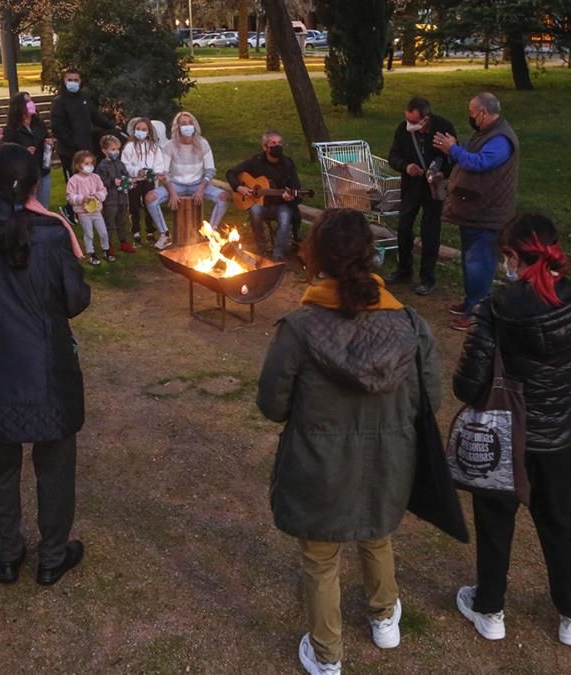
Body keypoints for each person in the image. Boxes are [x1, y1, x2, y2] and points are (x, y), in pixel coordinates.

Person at [257, 208, 438, 675]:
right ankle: (384, 617)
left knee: (321, 557)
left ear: (315, 256)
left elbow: (273, 404)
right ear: (370, 256)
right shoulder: (411, 324)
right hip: (387, 458)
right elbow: (429, 399)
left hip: (321, 463)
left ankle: (328, 654)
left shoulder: (300, 328)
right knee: (377, 533)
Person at [0, 142, 91, 586]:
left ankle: (13, 554)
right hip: (42, 367)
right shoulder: (47, 232)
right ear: (31, 185)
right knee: (54, 464)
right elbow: (74, 300)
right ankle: (47, 554)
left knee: (3, 462)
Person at [451, 213, 571, 649]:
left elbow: (467, 384)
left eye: (505, 256)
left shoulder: (496, 308)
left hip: (504, 434)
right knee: (559, 524)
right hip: (556, 437)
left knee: (495, 522)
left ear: (513, 256)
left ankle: (490, 608)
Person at [432, 92, 520, 331]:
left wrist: (453, 149)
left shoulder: (501, 139)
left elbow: (480, 163)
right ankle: (471, 302)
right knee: (471, 260)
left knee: (480, 263)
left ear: (483, 113)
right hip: (474, 210)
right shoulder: (486, 133)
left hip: (488, 214)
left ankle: (477, 312)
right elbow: (469, 162)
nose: (470, 117)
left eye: (472, 113)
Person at [386, 96, 457, 295]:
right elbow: (393, 156)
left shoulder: (444, 127)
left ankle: (427, 278)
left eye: (414, 122)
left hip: (434, 189)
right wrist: (406, 166)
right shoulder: (403, 130)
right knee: (403, 227)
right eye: (408, 120)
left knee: (430, 232)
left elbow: (453, 156)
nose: (410, 125)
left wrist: (443, 173)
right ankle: (404, 270)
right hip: (411, 186)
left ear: (426, 119)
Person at [145, 111, 228, 246]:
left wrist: (201, 189)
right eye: (183, 123)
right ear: (177, 126)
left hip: (198, 184)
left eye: (190, 123)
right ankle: (165, 234)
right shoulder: (170, 145)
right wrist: (172, 192)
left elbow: (210, 170)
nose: (187, 126)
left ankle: (211, 233)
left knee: (223, 197)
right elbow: (163, 172)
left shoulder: (203, 143)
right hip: (176, 184)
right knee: (150, 198)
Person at [225, 129, 303, 262]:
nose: (277, 146)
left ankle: (278, 254)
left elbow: (297, 188)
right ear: (265, 147)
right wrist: (239, 187)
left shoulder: (287, 164)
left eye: (279, 143)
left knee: (285, 217)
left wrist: (292, 197)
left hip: (281, 205)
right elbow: (231, 173)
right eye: (273, 143)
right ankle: (262, 249)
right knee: (255, 210)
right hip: (261, 205)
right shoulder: (256, 161)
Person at [50, 69, 119, 178]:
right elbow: (57, 127)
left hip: (87, 148)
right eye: (70, 80)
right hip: (69, 152)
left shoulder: (84, 98)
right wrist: (73, 143)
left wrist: (112, 127)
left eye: (76, 80)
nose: (73, 82)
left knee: (90, 180)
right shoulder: (59, 102)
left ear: (80, 81)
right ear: (64, 81)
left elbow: (97, 117)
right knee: (74, 182)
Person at [2, 91, 55, 208]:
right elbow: (5, 151)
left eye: (31, 101)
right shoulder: (12, 129)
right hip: (24, 174)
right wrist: (23, 151)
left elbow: (46, 138)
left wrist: (49, 143)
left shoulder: (39, 124)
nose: (31, 104)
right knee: (25, 205)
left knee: (42, 205)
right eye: (27, 101)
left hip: (42, 170)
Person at [122, 117, 166, 248]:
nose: (140, 131)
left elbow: (159, 163)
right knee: (134, 206)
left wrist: (154, 172)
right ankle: (135, 232)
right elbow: (125, 164)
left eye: (144, 129)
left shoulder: (153, 147)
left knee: (149, 205)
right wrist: (136, 171)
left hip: (148, 181)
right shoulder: (129, 147)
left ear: (149, 132)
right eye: (138, 129)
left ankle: (150, 231)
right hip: (134, 181)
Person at [66, 150, 114, 265]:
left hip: (96, 211)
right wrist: (81, 198)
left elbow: (103, 190)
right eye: (86, 164)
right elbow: (69, 196)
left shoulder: (96, 177)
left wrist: (98, 196)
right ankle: (91, 253)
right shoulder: (74, 180)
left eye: (91, 163)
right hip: (83, 213)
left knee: (103, 232)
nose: (89, 166)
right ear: (78, 165)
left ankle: (106, 250)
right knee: (89, 233)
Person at [95, 135, 130, 255]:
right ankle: (108, 244)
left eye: (117, 149)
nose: (116, 152)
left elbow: (126, 175)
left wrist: (128, 182)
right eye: (113, 149)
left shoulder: (120, 164)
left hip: (122, 198)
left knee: (122, 221)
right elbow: (100, 182)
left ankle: (123, 242)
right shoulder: (102, 166)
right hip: (110, 199)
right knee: (109, 222)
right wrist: (111, 182)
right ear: (104, 150)